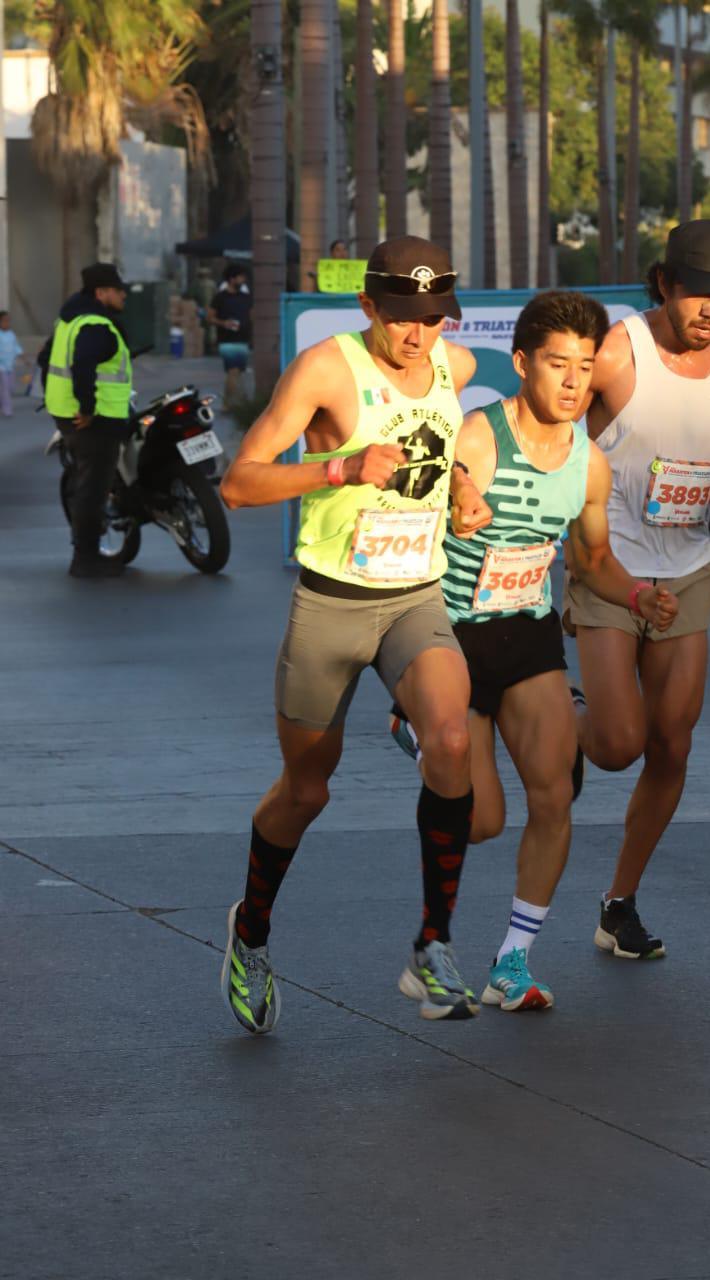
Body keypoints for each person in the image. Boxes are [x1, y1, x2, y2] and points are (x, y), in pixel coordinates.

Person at [218, 235, 489, 1034]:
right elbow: (238, 484)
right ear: (368, 305)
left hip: (414, 598)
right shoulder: (328, 370)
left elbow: (442, 451)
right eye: (402, 317)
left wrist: (463, 487)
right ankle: (250, 932)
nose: (417, 334)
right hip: (331, 605)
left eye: (433, 317)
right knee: (306, 790)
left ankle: (430, 946)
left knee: (449, 739)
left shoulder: (455, 368)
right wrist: (336, 467)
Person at [392, 290, 679, 1010]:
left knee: (554, 796)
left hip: (528, 636)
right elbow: (404, 521)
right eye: (558, 364)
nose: (574, 381)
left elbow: (589, 562)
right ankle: (419, 729)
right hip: (450, 638)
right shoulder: (475, 440)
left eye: (585, 366)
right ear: (522, 364)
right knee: (481, 820)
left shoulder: (589, 466)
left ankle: (511, 962)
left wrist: (638, 596)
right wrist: (452, 504)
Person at [563, 219, 710, 960]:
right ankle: (565, 714)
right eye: (698, 295)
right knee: (618, 746)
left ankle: (617, 903)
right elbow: (550, 434)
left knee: (671, 746)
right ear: (663, 285)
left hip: (686, 569)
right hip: (606, 562)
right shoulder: (617, 354)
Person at [43, 263, 132, 578]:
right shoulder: (96, 325)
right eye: (118, 290)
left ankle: (87, 554)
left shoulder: (69, 320)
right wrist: (88, 407)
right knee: (93, 489)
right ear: (101, 292)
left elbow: (45, 360)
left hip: (67, 415)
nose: (124, 295)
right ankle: (86, 559)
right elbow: (82, 365)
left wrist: (61, 403)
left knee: (88, 483)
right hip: (95, 420)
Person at [208, 263, 252, 409]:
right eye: (240, 277)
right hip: (227, 340)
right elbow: (210, 318)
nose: (243, 280)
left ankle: (233, 401)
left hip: (243, 339)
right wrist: (224, 323)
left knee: (237, 372)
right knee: (233, 371)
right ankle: (231, 403)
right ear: (231, 279)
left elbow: (252, 316)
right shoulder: (220, 298)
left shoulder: (246, 297)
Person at [0, 311, 23, 417]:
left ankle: (2, 404)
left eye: (8, 321)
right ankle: (7, 410)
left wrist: (23, 357)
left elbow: (16, 347)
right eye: (4, 321)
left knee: (10, 388)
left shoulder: (11, 334)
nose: (7, 323)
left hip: (10, 366)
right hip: (1, 366)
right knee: (4, 388)